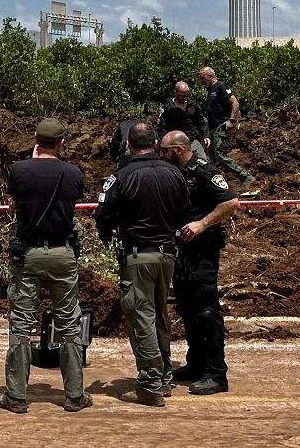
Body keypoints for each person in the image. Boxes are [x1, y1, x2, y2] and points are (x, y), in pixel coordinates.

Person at [0, 118, 89, 414]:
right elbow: (71, 201)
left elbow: (14, 204)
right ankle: (74, 395)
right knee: (69, 323)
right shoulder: (72, 172)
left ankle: (17, 396)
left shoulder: (19, 170)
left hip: (29, 255)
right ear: (61, 143)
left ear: (36, 140)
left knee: (21, 324)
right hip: (63, 253)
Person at [94, 122, 188, 406]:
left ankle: (149, 385)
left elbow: (104, 214)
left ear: (128, 145)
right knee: (160, 314)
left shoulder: (122, 176)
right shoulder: (175, 173)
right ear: (156, 143)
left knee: (142, 318)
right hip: (167, 254)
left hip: (138, 256)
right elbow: (184, 210)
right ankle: (163, 379)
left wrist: (106, 234)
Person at [161, 130, 240, 395]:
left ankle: (216, 374)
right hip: (183, 251)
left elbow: (231, 201)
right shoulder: (177, 173)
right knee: (187, 308)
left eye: (165, 150)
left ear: (178, 149)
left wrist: (202, 224)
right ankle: (196, 364)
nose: (162, 155)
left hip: (203, 251)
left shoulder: (205, 171)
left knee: (206, 311)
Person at [198, 67, 254, 191]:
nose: (201, 81)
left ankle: (245, 176)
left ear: (210, 76)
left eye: (202, 78)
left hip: (220, 127)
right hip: (212, 129)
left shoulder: (220, 86)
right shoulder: (210, 90)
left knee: (219, 155)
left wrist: (231, 120)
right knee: (209, 159)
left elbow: (235, 102)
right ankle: (212, 186)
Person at [156, 81, 207, 146]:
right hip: (175, 143)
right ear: (175, 92)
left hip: (192, 140)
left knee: (201, 156)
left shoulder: (193, 105)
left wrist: (206, 136)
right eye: (182, 96)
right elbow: (161, 127)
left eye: (186, 95)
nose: (184, 98)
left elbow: (201, 122)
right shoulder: (168, 108)